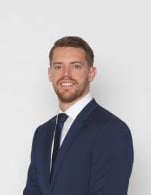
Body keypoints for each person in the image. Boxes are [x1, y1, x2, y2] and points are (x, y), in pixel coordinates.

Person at [23, 36, 134, 195]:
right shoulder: (42, 133)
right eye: (58, 66)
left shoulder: (111, 130)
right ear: (49, 74)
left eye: (76, 66)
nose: (66, 74)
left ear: (91, 73)